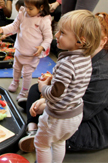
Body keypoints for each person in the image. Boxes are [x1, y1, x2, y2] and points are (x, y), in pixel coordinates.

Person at [19, 12, 108, 154]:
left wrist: (48, 105)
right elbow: (68, 87)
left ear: (102, 41)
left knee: (51, 133)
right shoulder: (82, 57)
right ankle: (34, 125)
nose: (57, 35)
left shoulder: (101, 73)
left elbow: (83, 110)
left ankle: (36, 129)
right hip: (68, 106)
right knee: (37, 89)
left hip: (86, 123)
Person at [0, 0, 53, 104]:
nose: (27, 10)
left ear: (41, 7)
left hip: (32, 53)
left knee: (27, 73)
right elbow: (14, 27)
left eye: (31, 8)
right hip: (20, 49)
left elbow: (48, 38)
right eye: (26, 7)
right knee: (16, 68)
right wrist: (1, 30)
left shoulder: (44, 20)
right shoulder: (23, 12)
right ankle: (15, 81)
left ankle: (24, 91)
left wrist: (42, 47)